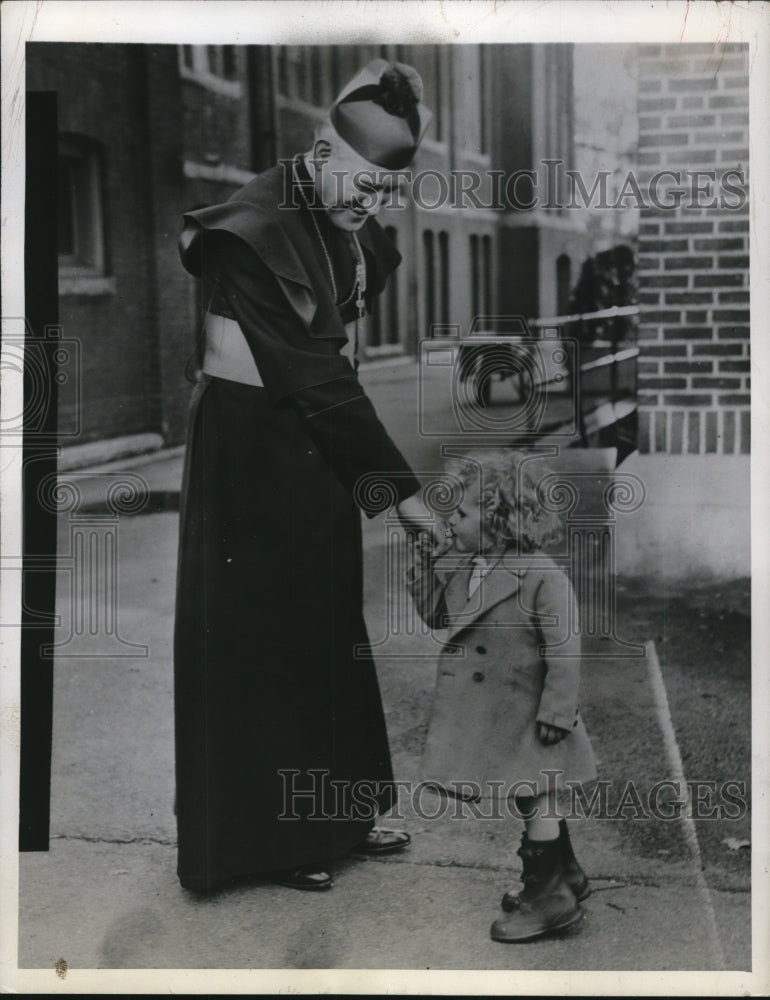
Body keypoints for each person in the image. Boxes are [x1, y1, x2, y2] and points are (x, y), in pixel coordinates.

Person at [174, 59, 436, 893]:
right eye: (360, 185)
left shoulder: (334, 208)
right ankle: (273, 845)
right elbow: (315, 372)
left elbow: (333, 357)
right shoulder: (251, 228)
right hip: (250, 451)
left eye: (383, 193)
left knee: (327, 627)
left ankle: (344, 814)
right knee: (264, 640)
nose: (369, 206)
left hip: (314, 445)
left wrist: (369, 481)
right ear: (322, 152)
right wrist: (402, 496)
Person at [407, 449, 597, 942]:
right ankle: (566, 874)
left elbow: (565, 644)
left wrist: (558, 708)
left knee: (539, 795)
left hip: (534, 713)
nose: (451, 518)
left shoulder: (540, 575)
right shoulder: (468, 565)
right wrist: (425, 566)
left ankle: (549, 897)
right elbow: (438, 618)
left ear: (498, 521)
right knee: (533, 794)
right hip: (503, 713)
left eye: (462, 512)